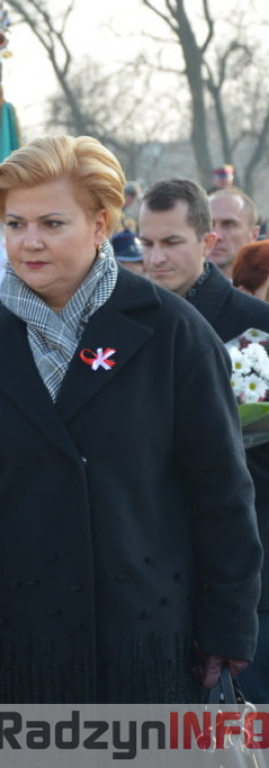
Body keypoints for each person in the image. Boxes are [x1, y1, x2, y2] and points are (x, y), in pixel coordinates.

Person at [0, 136, 262, 767]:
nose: (29, 242)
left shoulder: (173, 334)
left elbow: (221, 491)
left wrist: (228, 626)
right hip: (17, 648)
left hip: (154, 645)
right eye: (15, 224)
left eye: (52, 223)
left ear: (101, 223)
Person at [139, 177, 269, 704]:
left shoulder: (256, 326)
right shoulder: (127, 325)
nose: (156, 258)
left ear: (207, 241)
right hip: (152, 566)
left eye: (171, 243)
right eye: (145, 244)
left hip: (249, 564)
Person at [208, 188, 260, 278]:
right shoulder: (179, 288)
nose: (216, 236)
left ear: (253, 235)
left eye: (228, 224)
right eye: (208, 224)